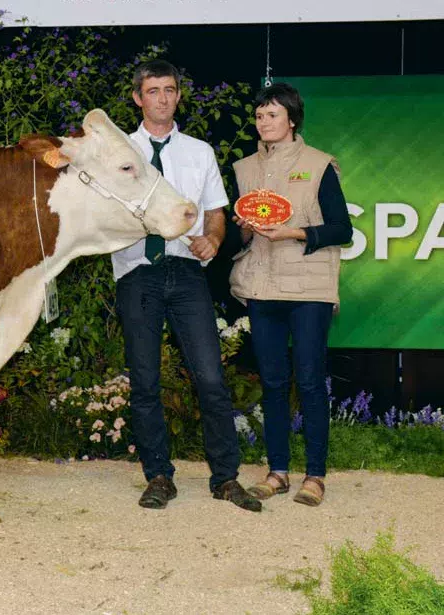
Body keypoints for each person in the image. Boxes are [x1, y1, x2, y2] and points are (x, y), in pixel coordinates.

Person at [112, 60, 261, 512]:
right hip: (137, 269)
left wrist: (214, 237)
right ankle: (159, 476)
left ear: (179, 96)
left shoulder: (198, 152)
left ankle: (225, 478)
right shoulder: (118, 152)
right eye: (153, 90)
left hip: (187, 272)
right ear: (138, 98)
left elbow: (216, 209)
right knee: (145, 381)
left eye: (169, 90)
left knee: (211, 378)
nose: (162, 98)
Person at [230, 82, 353, 506]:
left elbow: (342, 230)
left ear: (292, 120)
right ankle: (277, 471)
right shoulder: (243, 168)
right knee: (273, 381)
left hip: (308, 288)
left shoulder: (318, 165)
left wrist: (294, 232)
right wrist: (243, 228)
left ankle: (315, 476)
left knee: (310, 380)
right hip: (262, 286)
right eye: (260, 115)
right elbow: (239, 237)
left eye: (273, 115)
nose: (264, 122)